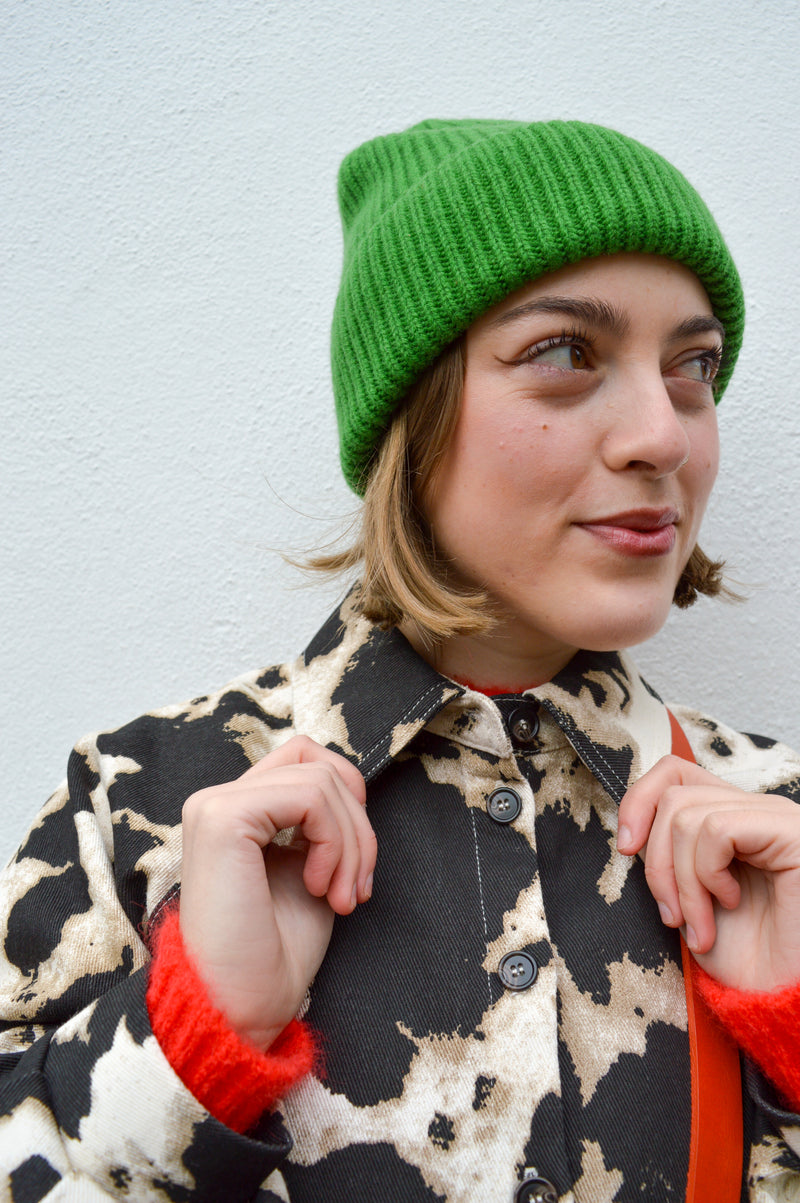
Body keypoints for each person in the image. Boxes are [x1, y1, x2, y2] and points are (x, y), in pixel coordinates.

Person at [2, 118, 800, 1203]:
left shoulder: (774, 825)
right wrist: (193, 1040)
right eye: (565, 353)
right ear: (410, 415)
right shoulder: (143, 807)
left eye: (692, 366)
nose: (663, 435)